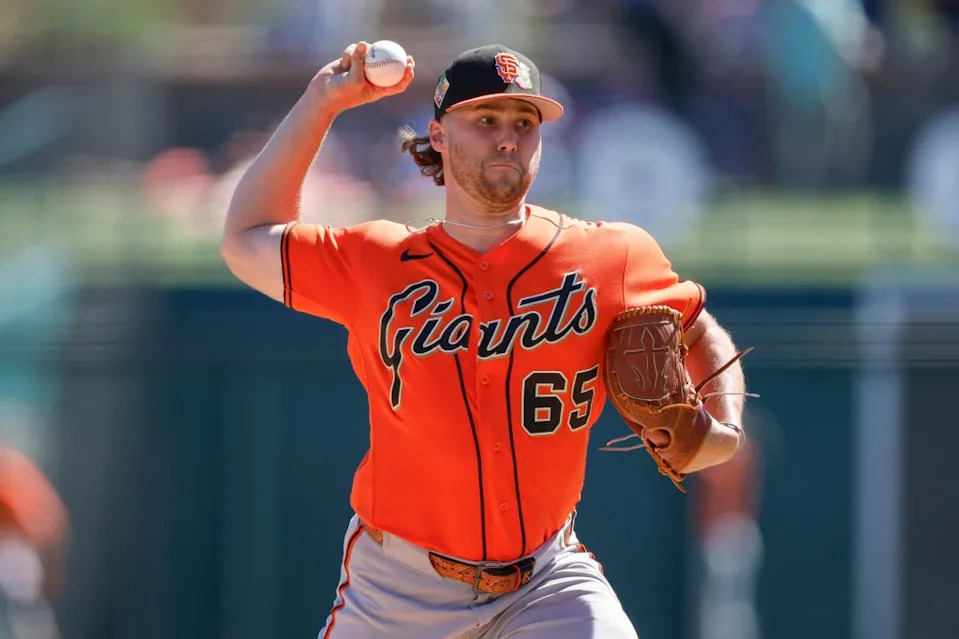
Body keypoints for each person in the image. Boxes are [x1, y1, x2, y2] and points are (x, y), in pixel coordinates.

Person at [220, 41, 749, 639]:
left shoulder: (610, 257)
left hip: (546, 581)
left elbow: (697, 324)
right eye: (485, 120)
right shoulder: (377, 260)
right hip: (397, 587)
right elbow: (246, 237)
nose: (507, 138)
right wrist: (321, 104)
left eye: (524, 123)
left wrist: (725, 424)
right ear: (438, 137)